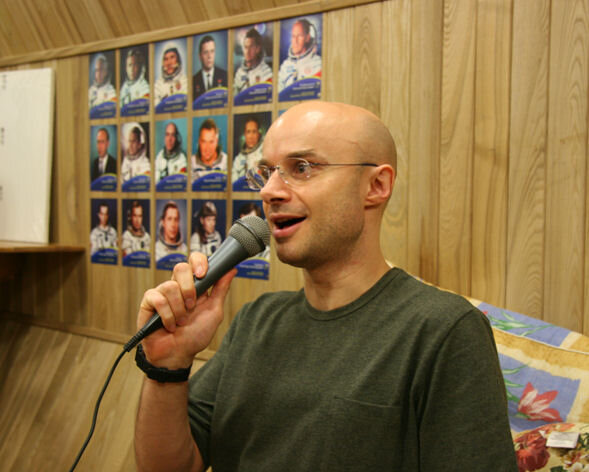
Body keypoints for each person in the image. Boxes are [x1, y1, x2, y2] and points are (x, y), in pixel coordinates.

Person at [134, 101, 518, 471]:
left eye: (301, 168)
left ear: (376, 186)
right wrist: (167, 366)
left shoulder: (443, 330)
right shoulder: (256, 321)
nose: (269, 191)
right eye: (266, 172)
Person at [278, 19, 322, 91]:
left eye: (300, 36)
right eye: (293, 36)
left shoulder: (317, 65)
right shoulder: (285, 66)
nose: (295, 41)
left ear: (307, 38)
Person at [233, 28, 272, 95]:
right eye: (246, 47)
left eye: (251, 47)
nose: (247, 51)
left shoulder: (266, 73)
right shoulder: (239, 73)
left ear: (258, 49)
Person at [192, 35, 228, 100]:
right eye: (206, 52)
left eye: (212, 51)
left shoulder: (225, 76)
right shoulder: (193, 81)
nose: (209, 56)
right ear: (200, 56)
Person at [231, 116, 263, 183]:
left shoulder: (264, 154)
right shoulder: (239, 158)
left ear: (258, 134)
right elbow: (233, 183)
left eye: (254, 132)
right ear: (245, 134)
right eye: (248, 132)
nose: (251, 136)